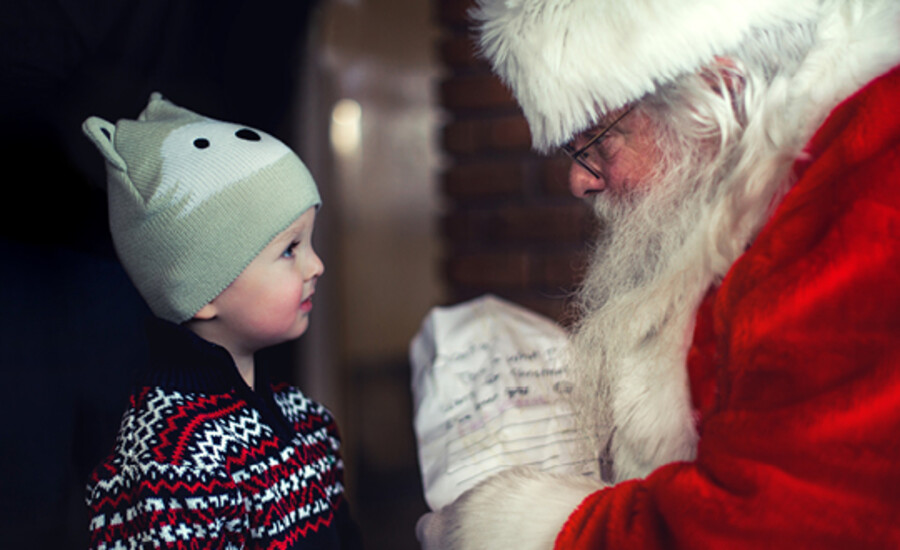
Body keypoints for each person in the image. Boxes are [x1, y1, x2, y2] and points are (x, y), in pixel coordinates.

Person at [417, 0, 900, 548]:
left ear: (719, 89)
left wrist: (529, 528)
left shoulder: (872, 184)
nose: (579, 181)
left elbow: (784, 519)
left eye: (597, 141)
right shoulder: (771, 182)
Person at [82, 93, 362, 549]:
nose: (316, 266)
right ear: (201, 290)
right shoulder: (169, 462)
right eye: (290, 249)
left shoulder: (309, 422)